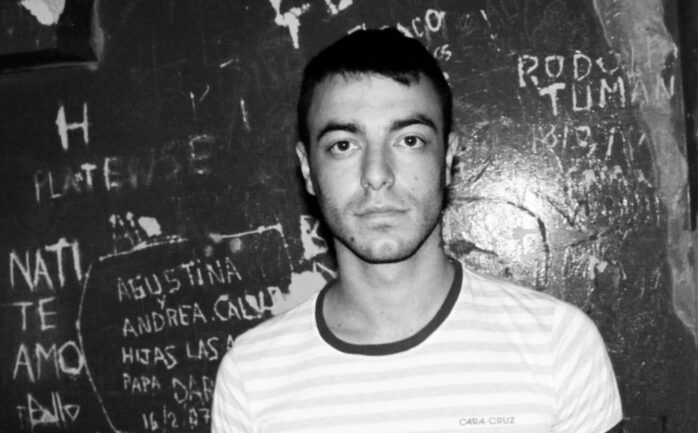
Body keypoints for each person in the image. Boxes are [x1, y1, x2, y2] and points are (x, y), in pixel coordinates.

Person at [211, 28, 623, 433]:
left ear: (447, 158)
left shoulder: (556, 345)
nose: (377, 175)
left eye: (409, 140)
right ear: (307, 169)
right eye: (343, 145)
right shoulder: (252, 377)